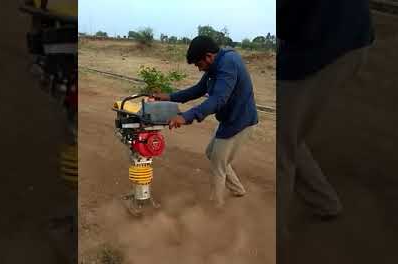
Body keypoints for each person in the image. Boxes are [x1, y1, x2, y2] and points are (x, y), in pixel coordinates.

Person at [277, 0, 374, 235]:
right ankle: (324, 201)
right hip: (356, 35)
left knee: (281, 147)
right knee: (289, 132)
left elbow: (287, 19)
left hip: (323, 45)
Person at [152, 35, 258, 208]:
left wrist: (186, 117)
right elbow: (198, 90)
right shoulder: (214, 67)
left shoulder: (228, 64)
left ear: (209, 56)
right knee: (212, 153)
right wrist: (170, 97)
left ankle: (215, 208)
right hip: (229, 119)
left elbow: (217, 100)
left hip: (241, 121)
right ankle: (238, 189)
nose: (199, 69)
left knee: (217, 161)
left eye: (198, 64)